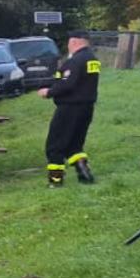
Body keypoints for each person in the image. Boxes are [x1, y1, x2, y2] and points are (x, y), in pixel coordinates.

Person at [41, 31, 101, 187]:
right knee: (75, 144)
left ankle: (55, 180)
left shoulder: (75, 61)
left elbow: (67, 83)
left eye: (69, 43)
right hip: (86, 108)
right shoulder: (92, 59)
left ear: (74, 42)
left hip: (69, 108)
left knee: (55, 145)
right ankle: (84, 173)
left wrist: (49, 92)